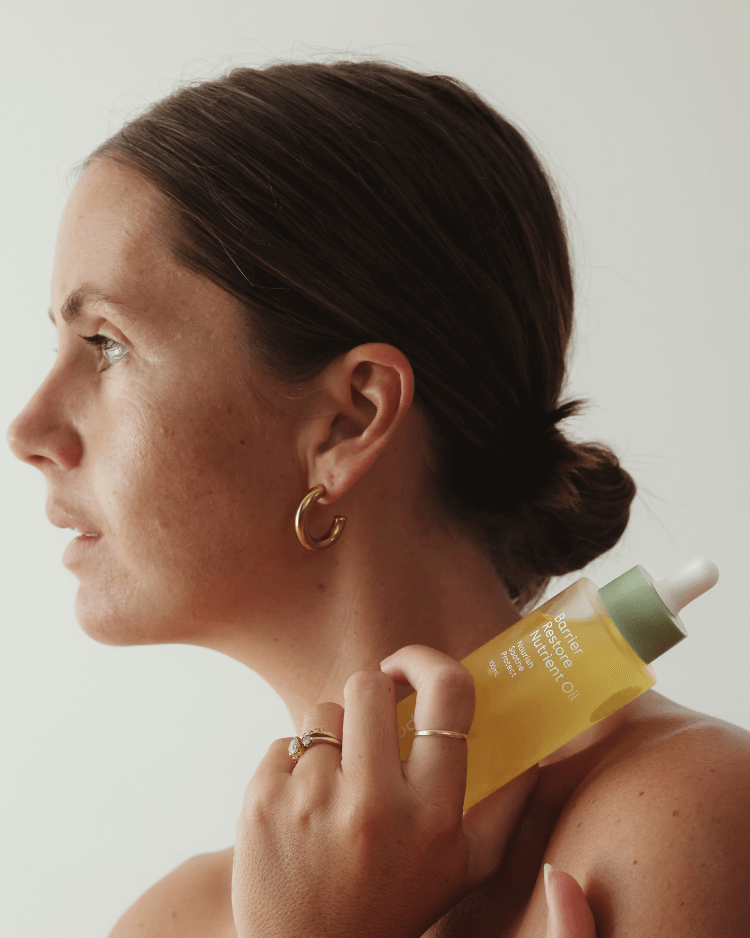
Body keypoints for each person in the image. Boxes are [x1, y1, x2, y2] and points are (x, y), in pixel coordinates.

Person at [7, 58, 750, 938]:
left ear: (349, 418)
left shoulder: (685, 818)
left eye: (107, 343)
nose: (28, 428)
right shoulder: (180, 918)